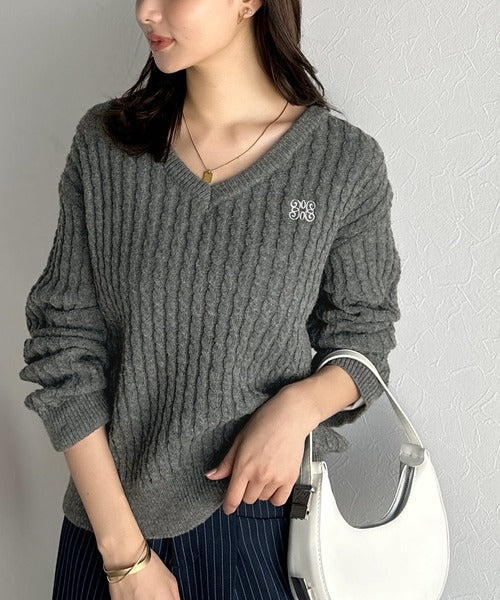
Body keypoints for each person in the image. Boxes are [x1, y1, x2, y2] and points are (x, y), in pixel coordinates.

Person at [18, 1, 402, 599]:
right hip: (111, 532)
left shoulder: (342, 164)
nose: (146, 11)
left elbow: (365, 337)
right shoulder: (108, 146)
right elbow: (63, 347)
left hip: (260, 523)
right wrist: (125, 558)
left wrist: (299, 406)